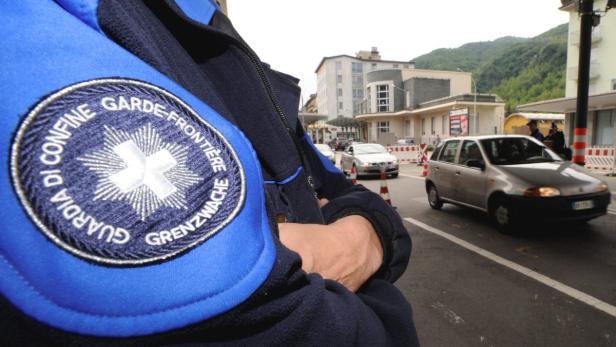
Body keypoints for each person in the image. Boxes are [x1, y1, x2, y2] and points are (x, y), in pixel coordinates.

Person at [0, 1, 418, 346]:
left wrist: (363, 235)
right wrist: (368, 268)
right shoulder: (53, 31)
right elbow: (293, 326)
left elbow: (351, 195)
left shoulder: (232, 54)